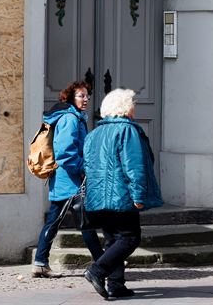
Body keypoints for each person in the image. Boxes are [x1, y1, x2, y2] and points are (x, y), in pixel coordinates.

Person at [82, 88, 163, 298]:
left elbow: (88, 166)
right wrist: (138, 196)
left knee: (112, 240)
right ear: (125, 108)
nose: (134, 109)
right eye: (133, 105)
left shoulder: (94, 133)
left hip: (98, 197)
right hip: (121, 195)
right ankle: (96, 271)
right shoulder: (127, 130)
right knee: (129, 238)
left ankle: (116, 284)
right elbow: (134, 166)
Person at [32, 81, 103, 278]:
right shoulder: (70, 118)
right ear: (71, 97)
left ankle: (40, 262)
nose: (86, 98)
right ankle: (104, 263)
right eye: (81, 95)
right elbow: (65, 153)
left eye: (87, 95)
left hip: (64, 180)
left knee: (54, 221)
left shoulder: (73, 117)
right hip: (71, 181)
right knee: (85, 223)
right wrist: (82, 169)